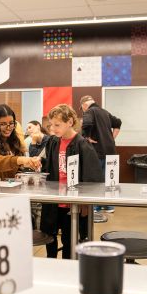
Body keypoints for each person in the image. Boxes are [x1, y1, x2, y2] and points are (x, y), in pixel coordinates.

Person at [40, 104, 102, 259]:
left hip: (71, 204)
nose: (53, 129)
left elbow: (92, 177)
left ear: (70, 122)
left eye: (57, 125)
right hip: (54, 200)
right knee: (50, 236)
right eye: (51, 125)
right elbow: (47, 166)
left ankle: (67, 269)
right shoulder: (53, 142)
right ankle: (51, 265)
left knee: (70, 240)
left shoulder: (82, 144)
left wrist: (85, 204)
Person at [79, 95, 122, 213]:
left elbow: (86, 124)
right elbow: (118, 122)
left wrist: (86, 137)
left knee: (96, 179)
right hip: (111, 151)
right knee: (109, 179)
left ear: (84, 105)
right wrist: (112, 138)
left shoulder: (89, 111)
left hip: (96, 151)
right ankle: (109, 206)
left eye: (82, 108)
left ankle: (96, 206)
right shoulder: (105, 112)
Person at [0, 104, 41, 179]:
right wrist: (20, 160)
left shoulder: (13, 140)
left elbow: (16, 169)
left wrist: (28, 164)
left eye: (11, 123)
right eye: (3, 124)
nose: (8, 128)